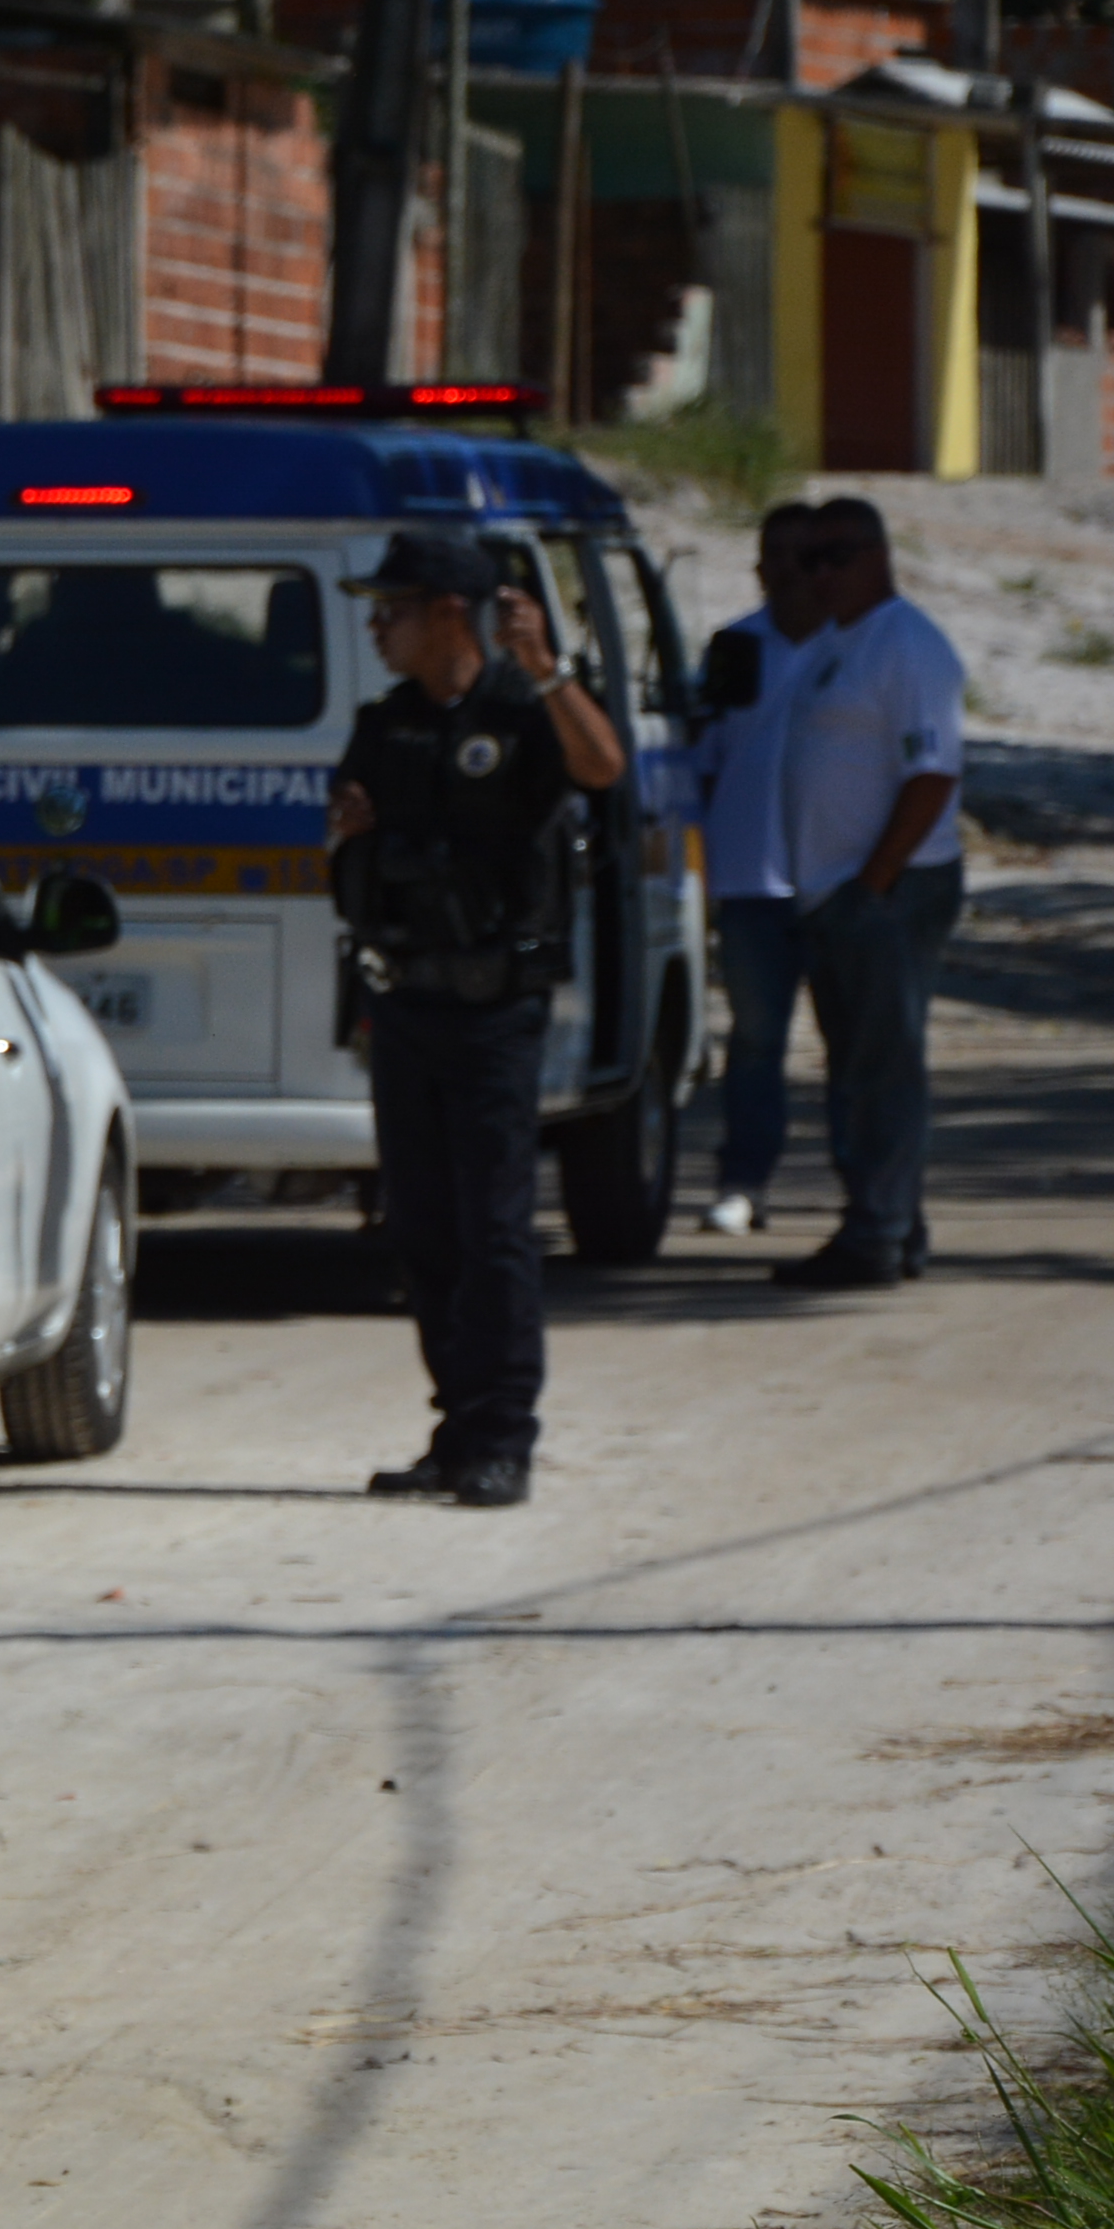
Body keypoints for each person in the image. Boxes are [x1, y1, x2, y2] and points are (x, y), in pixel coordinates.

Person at [327, 529, 628, 1509]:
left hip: (495, 1008)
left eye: (393, 609)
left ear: (449, 613)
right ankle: (455, 1430)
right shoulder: (387, 722)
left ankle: (502, 1437)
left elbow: (601, 769)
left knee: (493, 1225)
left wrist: (544, 669)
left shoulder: (523, 708)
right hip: (402, 999)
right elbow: (349, 844)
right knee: (421, 1226)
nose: (376, 626)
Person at [770, 498, 965, 1289]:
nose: (819, 574)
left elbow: (932, 773)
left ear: (879, 555)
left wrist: (873, 882)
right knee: (855, 1069)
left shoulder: (907, 645)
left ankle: (876, 1232)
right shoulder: (832, 645)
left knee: (882, 1071)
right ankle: (892, 1223)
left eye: (836, 555)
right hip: (836, 893)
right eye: (806, 560)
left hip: (888, 892)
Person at [690, 503, 828, 1234]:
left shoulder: (856, 647)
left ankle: (871, 1193)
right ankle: (745, 1181)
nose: (781, 570)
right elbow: (698, 766)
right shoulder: (733, 649)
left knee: (858, 1045)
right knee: (753, 1043)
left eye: (801, 556)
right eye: (769, 554)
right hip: (750, 881)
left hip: (840, 885)